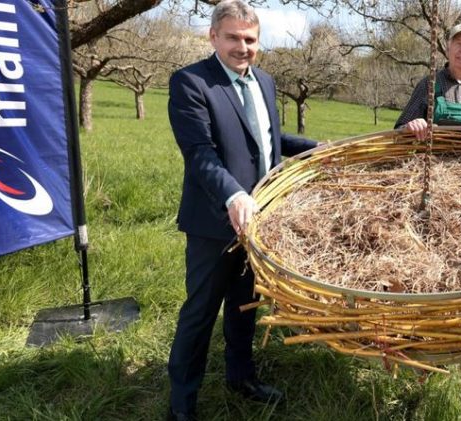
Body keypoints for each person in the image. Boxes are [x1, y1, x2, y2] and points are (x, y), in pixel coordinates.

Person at [165, 1, 318, 419]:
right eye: (233, 37)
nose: (242, 47)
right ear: (213, 36)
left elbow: (267, 137)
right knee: (200, 313)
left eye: (250, 39)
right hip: (215, 222)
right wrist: (233, 195)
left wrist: (317, 148)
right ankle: (182, 405)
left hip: (261, 221)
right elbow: (199, 153)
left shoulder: (264, 81)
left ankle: (241, 377)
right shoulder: (191, 82)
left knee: (245, 304)